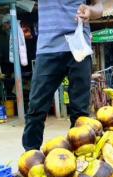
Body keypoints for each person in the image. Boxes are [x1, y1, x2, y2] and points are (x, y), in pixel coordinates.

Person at [22, 1, 103, 151]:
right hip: (47, 49)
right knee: (36, 107)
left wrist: (90, 11)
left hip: (79, 47)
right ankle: (30, 156)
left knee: (80, 113)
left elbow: (99, 7)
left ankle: (78, 156)